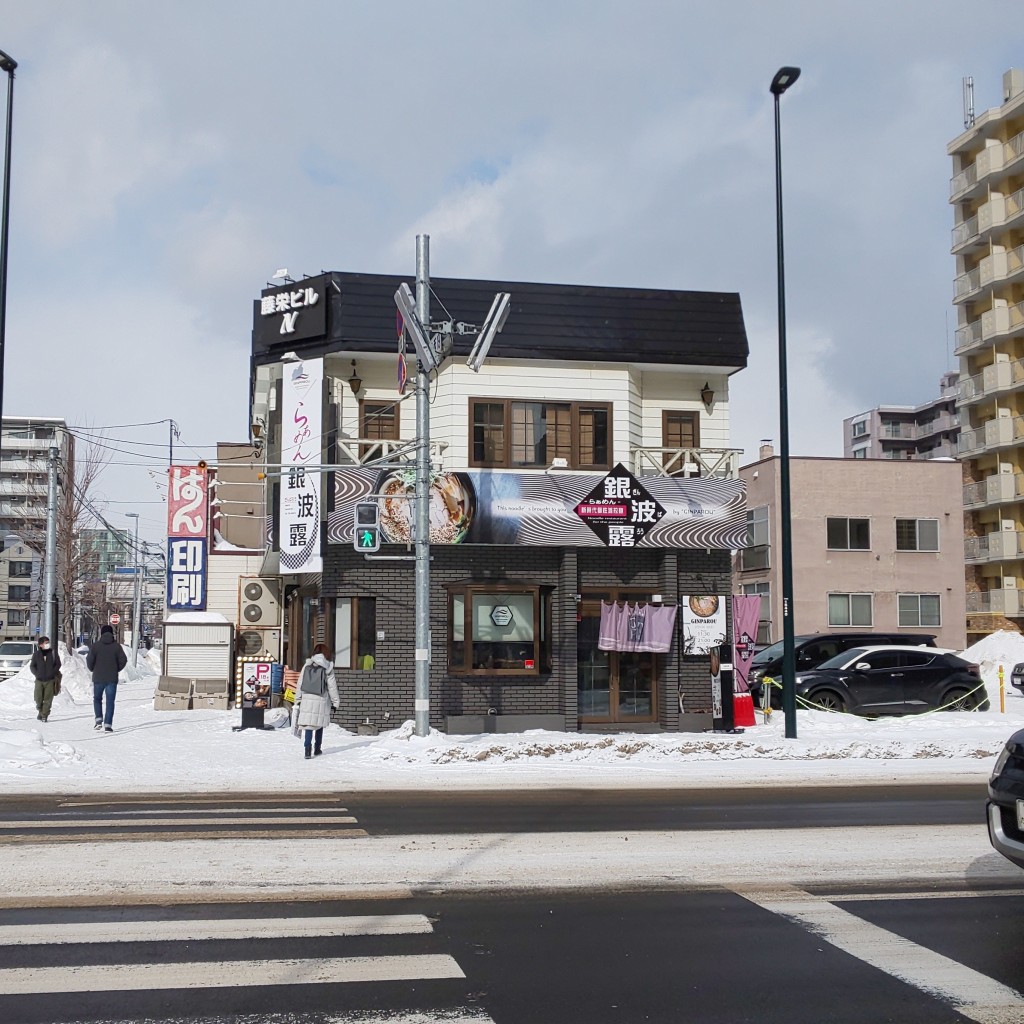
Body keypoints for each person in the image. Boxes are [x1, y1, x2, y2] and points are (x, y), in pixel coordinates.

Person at [292, 642, 340, 759]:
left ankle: (307, 750)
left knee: (309, 725)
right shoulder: (328, 667)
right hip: (321, 699)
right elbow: (332, 687)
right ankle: (317, 748)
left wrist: (297, 699)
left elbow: (300, 683)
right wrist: (336, 702)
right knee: (319, 724)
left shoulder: (307, 665)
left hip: (307, 698)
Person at [87, 624, 127, 732]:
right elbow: (124, 660)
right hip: (112, 678)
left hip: (98, 677)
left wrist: (92, 669)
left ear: (101, 633)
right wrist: (116, 669)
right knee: (110, 701)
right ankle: (108, 724)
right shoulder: (117, 647)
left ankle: (98, 720)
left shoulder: (95, 646)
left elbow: (89, 661)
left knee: (97, 699)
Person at [29, 635, 61, 723]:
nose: (48, 644)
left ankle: (44, 715)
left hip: (50, 680)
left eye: (48, 643)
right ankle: (41, 711)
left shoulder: (53, 653)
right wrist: (36, 673)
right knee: (38, 698)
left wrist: (52, 673)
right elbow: (32, 666)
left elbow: (58, 664)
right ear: (40, 645)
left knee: (48, 699)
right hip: (39, 680)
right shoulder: (36, 655)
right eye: (46, 643)